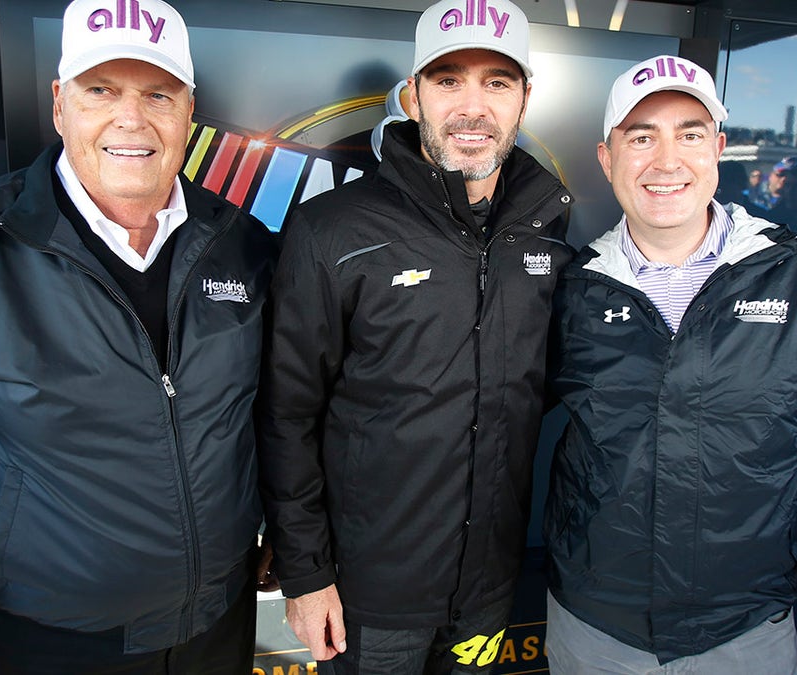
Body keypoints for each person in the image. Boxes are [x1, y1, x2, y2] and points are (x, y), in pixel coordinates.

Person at [0, 1, 277, 673]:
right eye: (101, 91)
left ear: (189, 111)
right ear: (60, 103)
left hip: (219, 622)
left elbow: (273, 412)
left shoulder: (242, 243)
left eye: (158, 93)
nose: (131, 118)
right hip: (51, 640)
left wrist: (289, 533)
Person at [543, 54, 797, 675]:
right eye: (641, 136)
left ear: (718, 149)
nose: (666, 161)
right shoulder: (573, 288)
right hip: (596, 625)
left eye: (690, 133)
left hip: (743, 629)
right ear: (607, 158)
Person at [257, 0, 574, 672]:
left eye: (497, 82)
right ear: (413, 95)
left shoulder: (546, 227)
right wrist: (307, 573)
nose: (472, 106)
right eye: (448, 79)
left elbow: (532, 390)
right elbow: (285, 415)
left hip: (488, 591)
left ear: (523, 100)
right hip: (369, 595)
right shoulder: (332, 231)